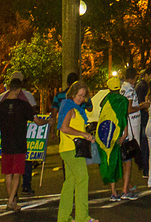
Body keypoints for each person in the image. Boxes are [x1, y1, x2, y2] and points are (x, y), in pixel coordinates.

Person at [0, 77, 35, 211]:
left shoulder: (0, 105)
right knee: (17, 173)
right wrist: (47, 122)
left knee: (8, 173)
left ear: (9, 88)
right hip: (19, 143)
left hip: (6, 143)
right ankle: (11, 201)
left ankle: (11, 200)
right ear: (19, 89)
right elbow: (36, 120)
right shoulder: (23, 105)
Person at [56, 81, 95, 222]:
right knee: (82, 179)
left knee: (70, 182)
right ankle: (82, 217)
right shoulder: (70, 108)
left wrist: (85, 134)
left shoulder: (69, 107)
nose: (81, 99)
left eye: (84, 96)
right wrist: (83, 134)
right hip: (72, 149)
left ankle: (64, 217)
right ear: (73, 94)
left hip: (68, 148)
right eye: (79, 95)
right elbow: (64, 128)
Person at [116, 68, 143, 200]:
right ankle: (126, 189)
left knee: (125, 158)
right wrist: (142, 106)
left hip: (125, 126)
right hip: (131, 126)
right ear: (135, 77)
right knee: (129, 158)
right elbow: (129, 109)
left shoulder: (122, 88)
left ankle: (128, 184)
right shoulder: (130, 89)